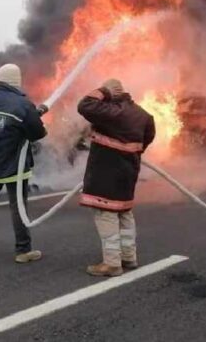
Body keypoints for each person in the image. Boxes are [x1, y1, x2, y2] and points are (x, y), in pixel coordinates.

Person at [0, 64, 48, 263]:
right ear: (16, 80)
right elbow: (37, 133)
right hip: (13, 165)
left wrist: (31, 115)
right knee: (18, 206)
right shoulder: (22, 104)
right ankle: (23, 251)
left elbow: (4, 124)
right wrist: (34, 114)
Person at [77, 79, 155, 277]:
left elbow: (84, 105)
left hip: (106, 171)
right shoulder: (143, 115)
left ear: (111, 94)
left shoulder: (110, 111)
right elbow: (147, 139)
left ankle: (112, 263)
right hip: (128, 171)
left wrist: (103, 91)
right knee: (124, 212)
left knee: (106, 213)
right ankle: (129, 256)